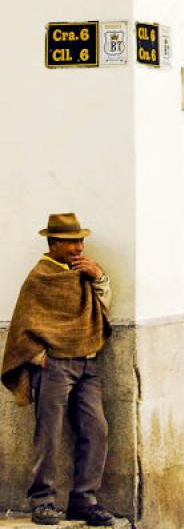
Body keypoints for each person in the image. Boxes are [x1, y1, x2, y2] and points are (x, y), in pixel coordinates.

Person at [1, 213, 114, 527]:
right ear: (53, 243)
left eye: (80, 241)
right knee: (49, 433)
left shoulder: (82, 273)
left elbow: (102, 309)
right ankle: (43, 502)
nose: (78, 248)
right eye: (71, 242)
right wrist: (40, 359)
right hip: (55, 367)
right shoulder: (40, 276)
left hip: (88, 362)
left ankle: (84, 501)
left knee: (96, 430)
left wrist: (100, 276)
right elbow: (24, 324)